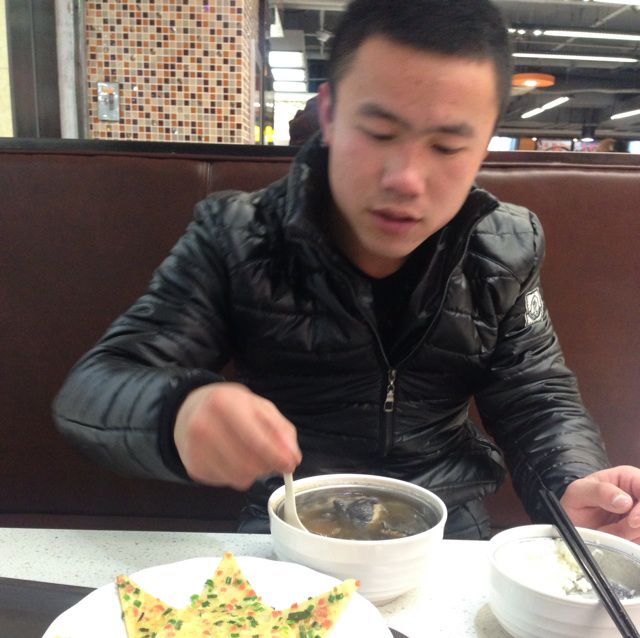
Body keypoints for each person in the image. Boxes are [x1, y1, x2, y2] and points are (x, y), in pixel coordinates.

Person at [53, 0, 640, 541]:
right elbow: (93, 388)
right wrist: (177, 413)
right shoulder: (237, 235)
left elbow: (534, 394)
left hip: (446, 529)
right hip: (290, 519)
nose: (405, 179)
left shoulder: (504, 247)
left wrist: (574, 484)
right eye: (379, 133)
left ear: (484, 143)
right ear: (330, 114)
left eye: (445, 146)